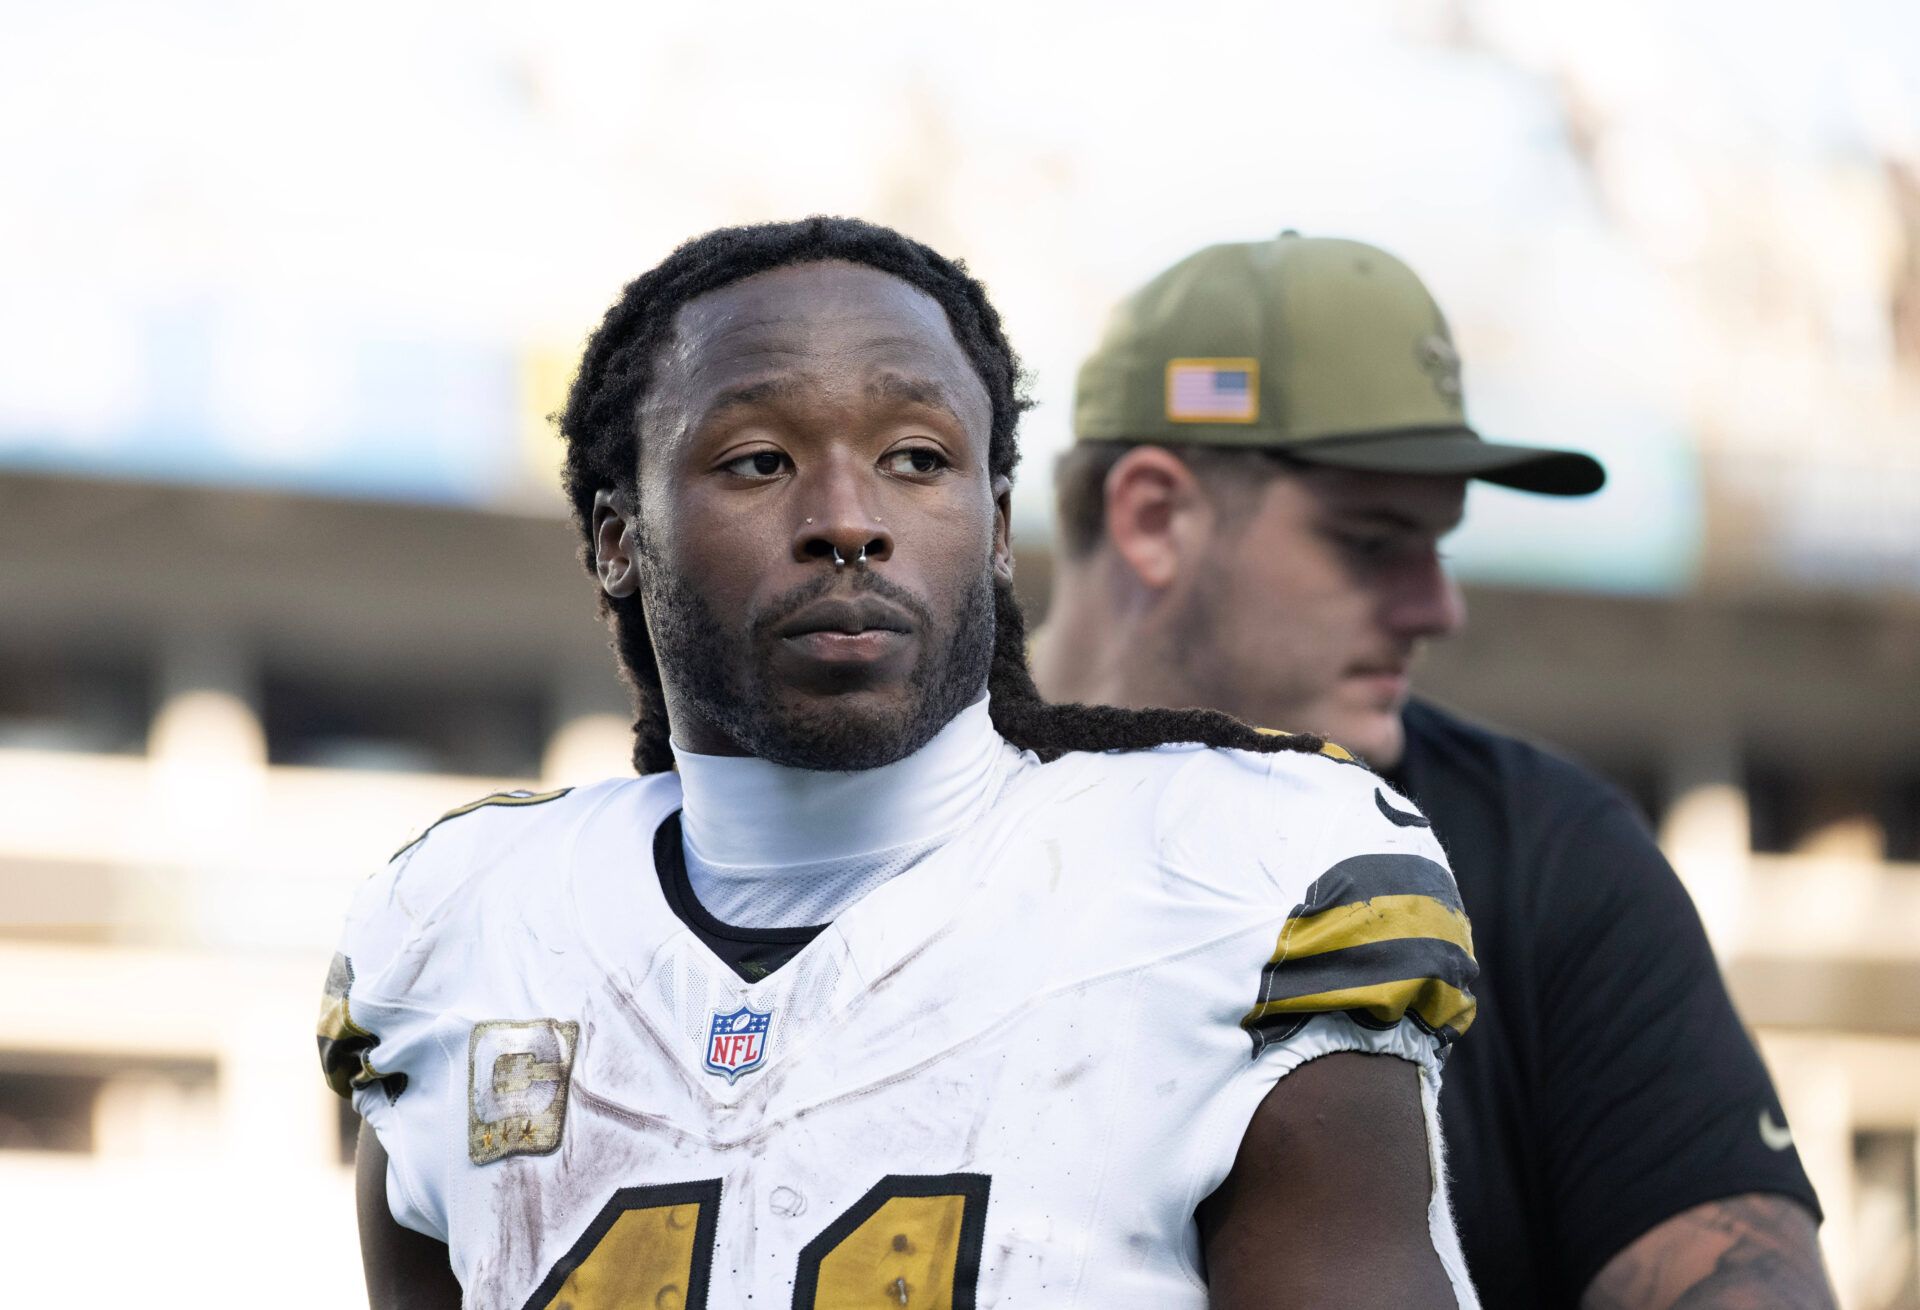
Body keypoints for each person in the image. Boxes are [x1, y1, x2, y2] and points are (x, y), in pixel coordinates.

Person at [316, 218, 1487, 1308]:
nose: (846, 516)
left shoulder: (1235, 876)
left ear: (993, 523)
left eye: (917, 457)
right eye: (759, 460)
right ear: (620, 539)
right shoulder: (460, 930)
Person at [1032, 232, 1834, 1309]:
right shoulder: (880, 829)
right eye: (1373, 541)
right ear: (1154, 516)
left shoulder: (1548, 853)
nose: (1436, 607)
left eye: (1440, 544)